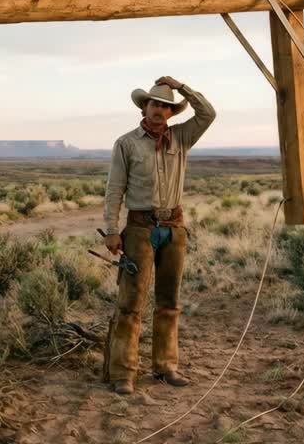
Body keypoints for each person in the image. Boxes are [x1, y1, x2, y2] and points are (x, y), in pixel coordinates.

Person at [101, 75, 215, 396]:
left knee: (169, 301)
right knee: (130, 303)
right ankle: (123, 373)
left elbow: (208, 114)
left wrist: (182, 88)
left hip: (174, 228)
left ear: (170, 112)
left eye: (166, 106)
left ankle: (165, 367)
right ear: (144, 106)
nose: (159, 110)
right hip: (139, 229)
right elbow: (114, 190)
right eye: (154, 103)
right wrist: (112, 230)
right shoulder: (127, 143)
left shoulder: (181, 137)